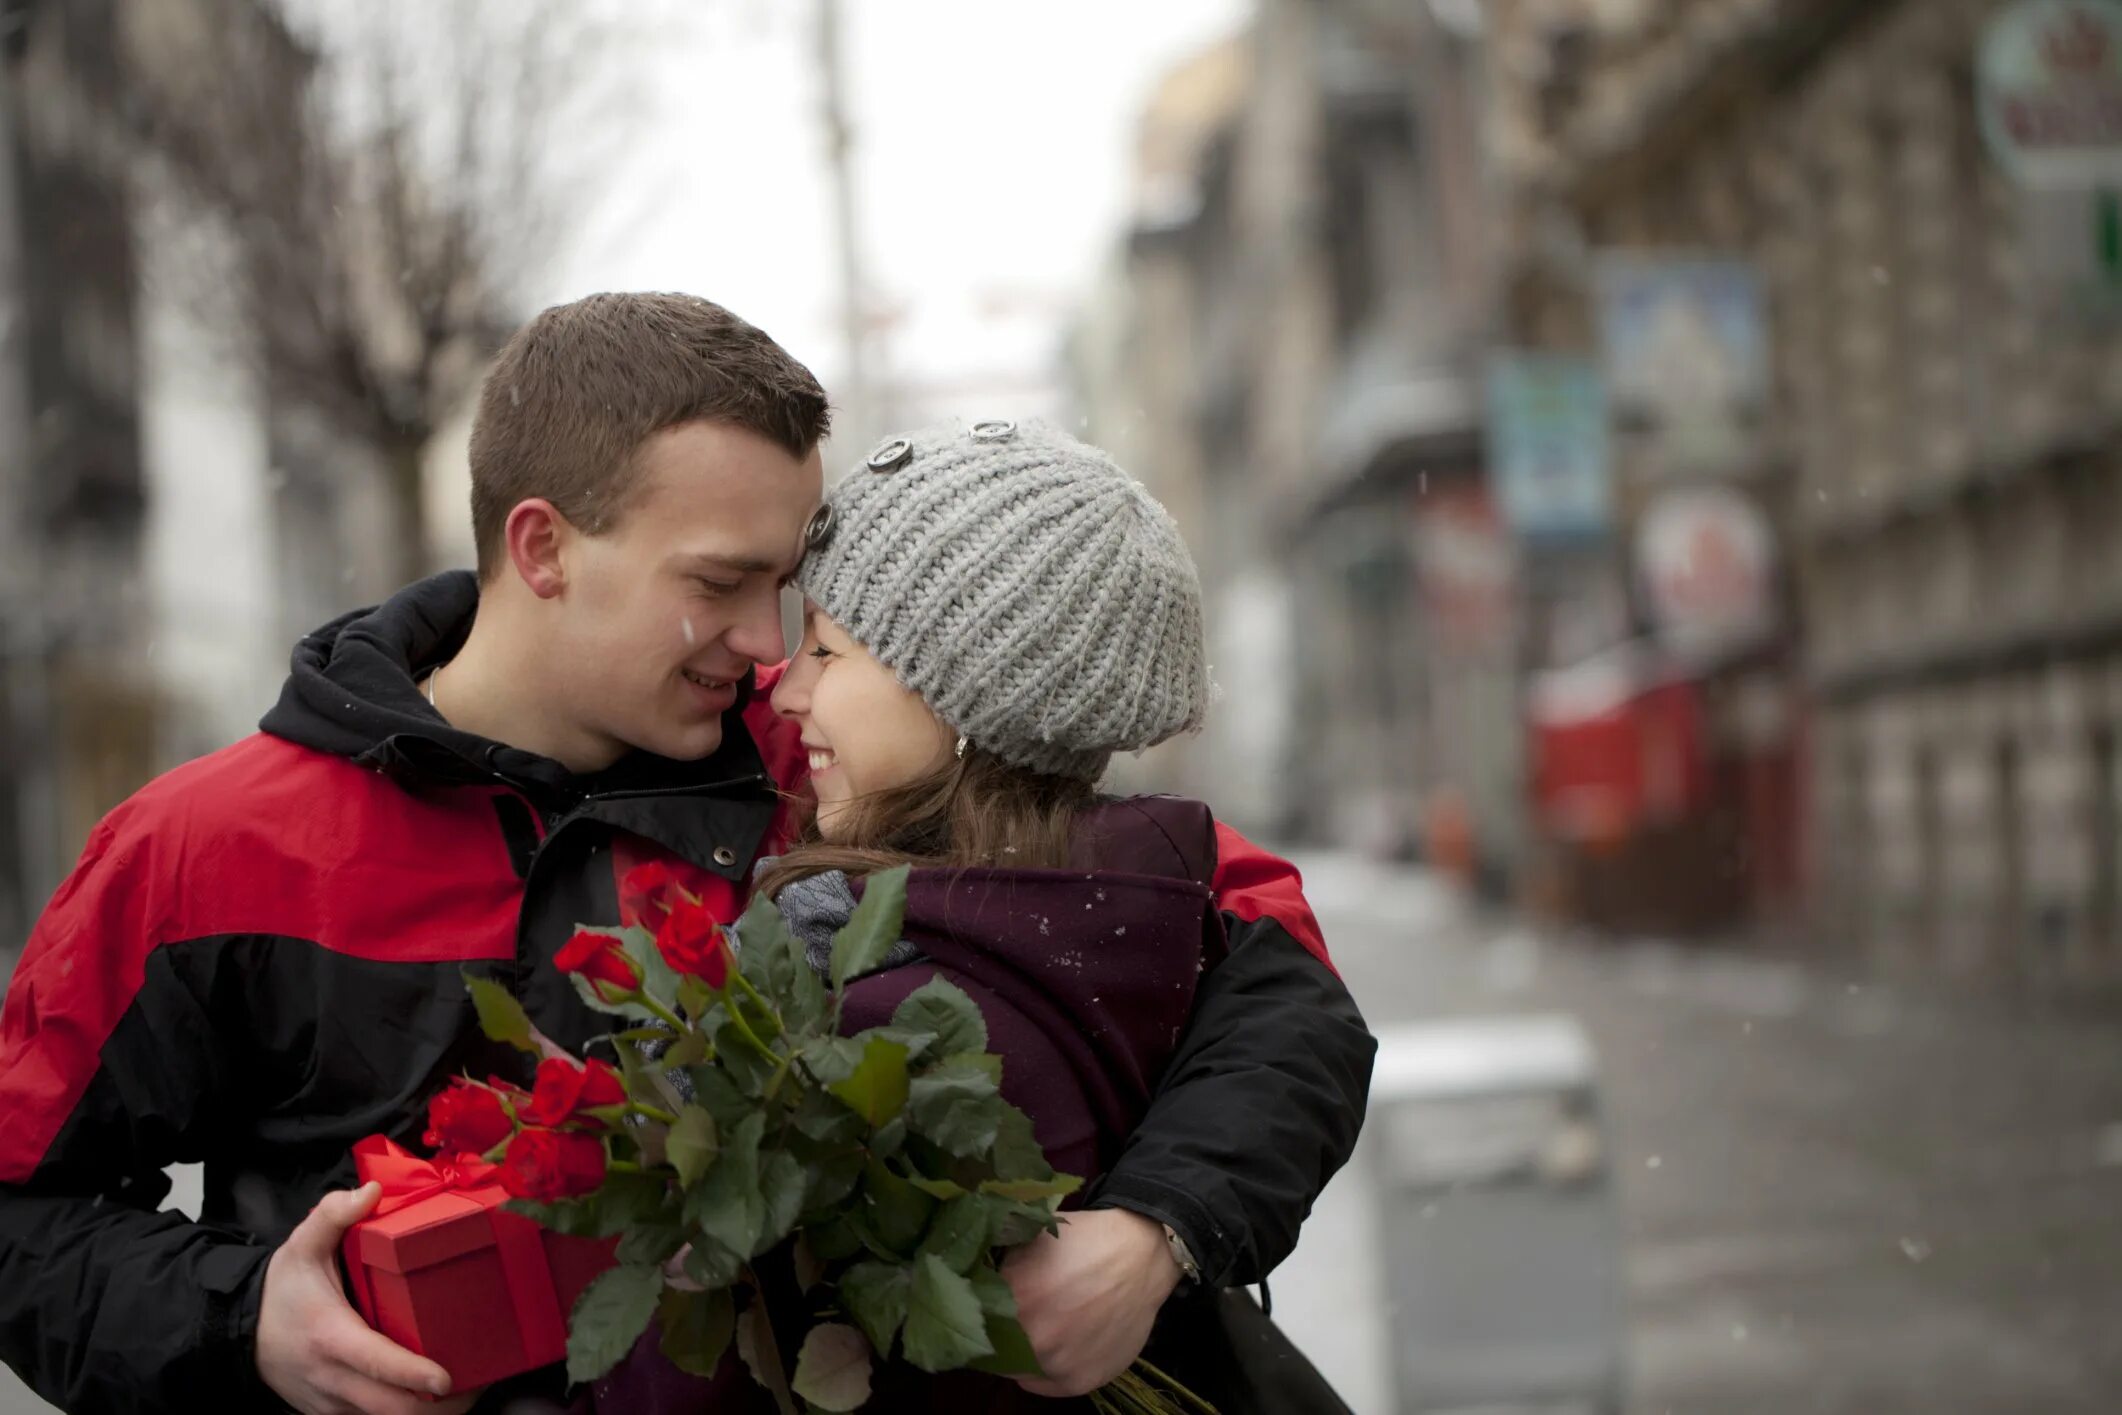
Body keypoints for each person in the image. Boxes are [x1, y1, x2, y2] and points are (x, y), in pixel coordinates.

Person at [0, 294, 1372, 1415]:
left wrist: (1157, 1227)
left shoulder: (841, 784)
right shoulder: (205, 848)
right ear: (542, 547)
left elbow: (1267, 969)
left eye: (790, 593)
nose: (773, 652)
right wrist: (248, 1322)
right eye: (718, 585)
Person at [587, 418, 1367, 1413]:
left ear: (959, 701)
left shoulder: (911, 1008)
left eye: (821, 644)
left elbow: (1279, 972)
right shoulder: (1118, 896)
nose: (784, 682)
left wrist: (1158, 1224)